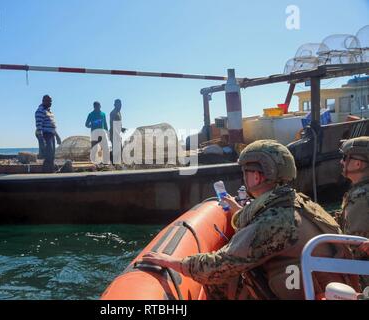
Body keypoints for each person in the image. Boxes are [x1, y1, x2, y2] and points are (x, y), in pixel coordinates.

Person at [142, 140, 358, 300]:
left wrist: (174, 263)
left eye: (246, 172)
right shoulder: (299, 202)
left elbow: (220, 266)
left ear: (257, 176)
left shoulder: (274, 219)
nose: (244, 177)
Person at [337, 136, 369, 288]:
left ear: (358, 163)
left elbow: (355, 246)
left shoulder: (361, 196)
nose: (341, 162)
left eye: (345, 158)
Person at [35, 95, 61, 173]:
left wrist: (57, 136)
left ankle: (50, 171)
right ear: (43, 101)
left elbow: (52, 126)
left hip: (51, 135)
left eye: (51, 101)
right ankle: (46, 174)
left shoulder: (49, 111)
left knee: (52, 156)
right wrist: (42, 139)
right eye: (48, 101)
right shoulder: (40, 110)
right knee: (48, 156)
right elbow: (39, 126)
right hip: (45, 135)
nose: (50, 103)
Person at [109, 99, 126, 163]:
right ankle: (114, 163)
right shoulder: (113, 113)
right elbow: (112, 124)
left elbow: (118, 123)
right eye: (118, 105)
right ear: (115, 105)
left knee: (119, 148)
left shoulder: (119, 112)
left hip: (117, 133)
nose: (120, 106)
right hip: (113, 133)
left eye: (121, 105)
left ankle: (116, 162)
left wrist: (121, 129)